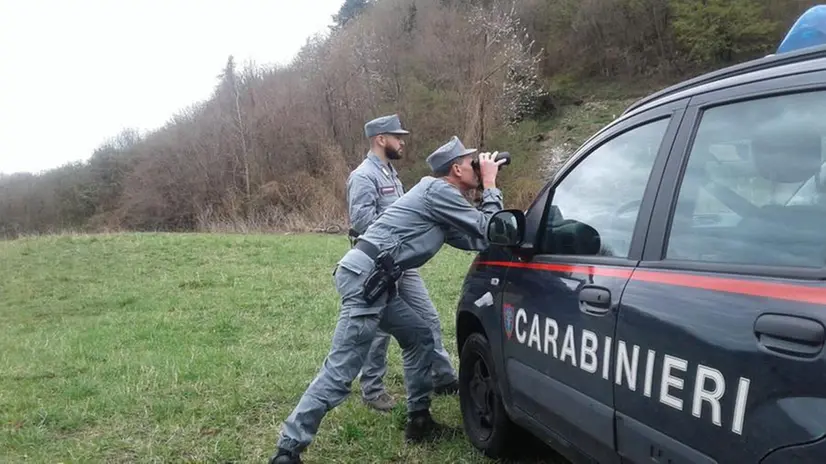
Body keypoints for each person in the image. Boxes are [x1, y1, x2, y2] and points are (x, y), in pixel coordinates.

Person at [269, 135, 507, 464]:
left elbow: (482, 237)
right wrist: (492, 184)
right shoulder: (438, 191)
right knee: (340, 372)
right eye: (474, 164)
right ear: (456, 169)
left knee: (420, 336)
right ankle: (288, 448)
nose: (480, 169)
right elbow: (487, 225)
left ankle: (419, 421)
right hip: (366, 280)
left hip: (379, 282)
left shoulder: (440, 204)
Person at [346, 114, 460, 413]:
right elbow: (361, 222)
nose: (402, 141)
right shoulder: (363, 176)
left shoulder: (391, 174)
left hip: (403, 264)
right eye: (397, 137)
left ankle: (443, 377)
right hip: (379, 264)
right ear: (381, 139)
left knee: (428, 317)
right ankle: (372, 391)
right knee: (379, 331)